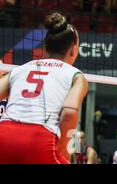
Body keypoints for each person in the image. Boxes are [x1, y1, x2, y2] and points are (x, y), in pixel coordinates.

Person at [0, 12, 88, 163]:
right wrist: (63, 148)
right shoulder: (76, 76)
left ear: (45, 48)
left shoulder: (19, 69)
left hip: (4, 134)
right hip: (39, 138)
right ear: (74, 50)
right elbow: (69, 113)